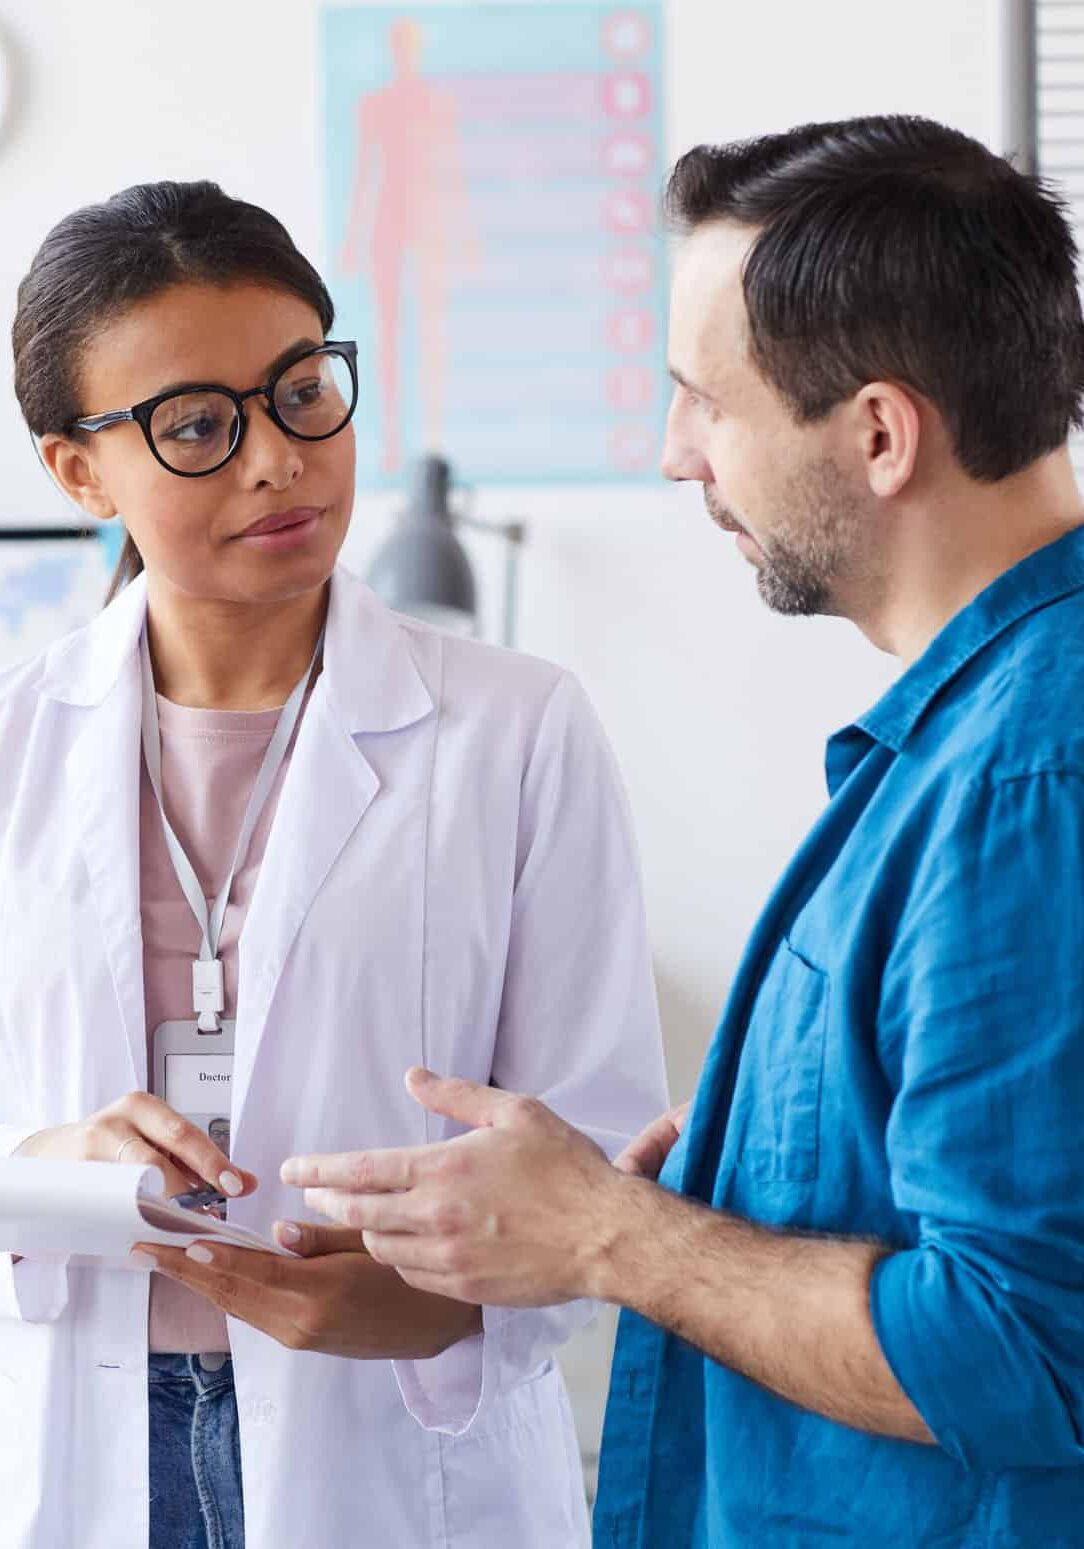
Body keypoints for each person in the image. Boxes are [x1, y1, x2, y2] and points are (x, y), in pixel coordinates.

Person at [277, 116, 1084, 1547]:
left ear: (881, 434)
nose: (674, 456)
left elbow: (1029, 1347)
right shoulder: (970, 741)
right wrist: (722, 1178)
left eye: (706, 401)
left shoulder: (1030, 775)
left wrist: (613, 1233)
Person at [0, 180, 666, 1549]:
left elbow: (603, 1142)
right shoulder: (16, 739)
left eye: (303, 387)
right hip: (82, 1432)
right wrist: (50, 1166)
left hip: (400, 1442)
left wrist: (440, 1304)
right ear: (79, 470)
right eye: (197, 425)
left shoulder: (517, 727)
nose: (277, 458)